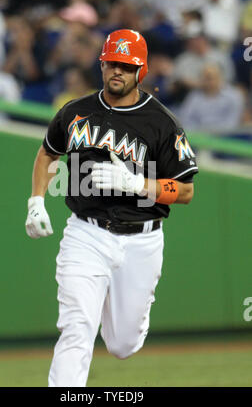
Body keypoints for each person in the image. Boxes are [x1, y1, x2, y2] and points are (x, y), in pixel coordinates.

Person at [25, 29, 199, 387]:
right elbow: (47, 153)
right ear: (101, 65)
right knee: (78, 327)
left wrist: (139, 185)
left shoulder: (161, 123)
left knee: (122, 344)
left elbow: (185, 190)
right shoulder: (75, 112)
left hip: (142, 240)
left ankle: (129, 319)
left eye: (127, 65)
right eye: (112, 64)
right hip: (85, 234)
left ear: (142, 71)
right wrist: (36, 201)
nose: (117, 71)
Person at [179, 64, 245, 132]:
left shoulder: (234, 96)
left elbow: (232, 123)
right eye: (203, 78)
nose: (206, 81)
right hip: (199, 137)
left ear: (220, 78)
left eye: (209, 78)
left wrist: (214, 133)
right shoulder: (193, 97)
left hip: (226, 137)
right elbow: (185, 120)